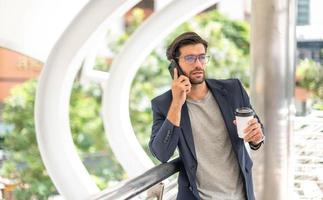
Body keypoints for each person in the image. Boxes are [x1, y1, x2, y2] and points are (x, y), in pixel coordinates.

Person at [149, 32, 265, 200]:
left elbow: (257, 131)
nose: (198, 64)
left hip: (241, 195)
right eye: (190, 58)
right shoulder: (164, 104)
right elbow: (161, 153)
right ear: (175, 65)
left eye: (202, 57)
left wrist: (256, 138)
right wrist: (176, 104)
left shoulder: (233, 90)